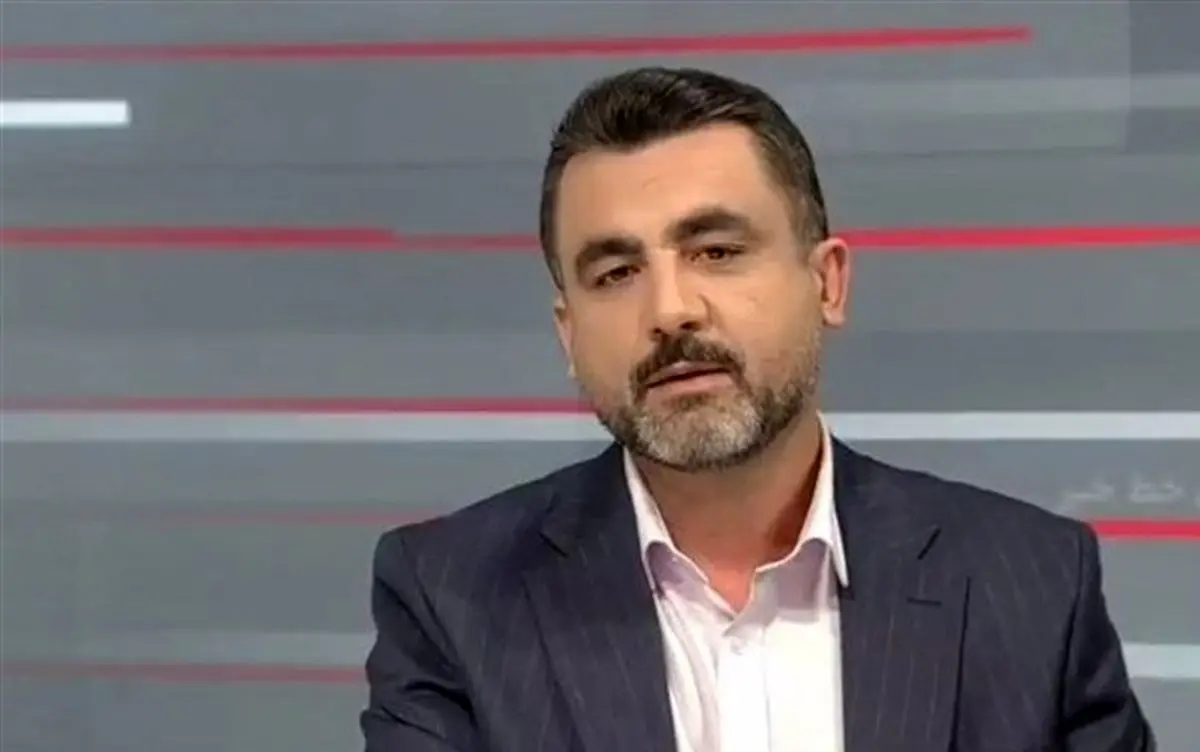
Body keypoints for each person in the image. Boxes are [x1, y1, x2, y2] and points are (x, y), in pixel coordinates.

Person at [359, 66, 1154, 752]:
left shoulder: (1031, 584)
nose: (670, 310)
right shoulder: (453, 598)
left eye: (717, 251)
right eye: (616, 273)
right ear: (568, 333)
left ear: (827, 283)